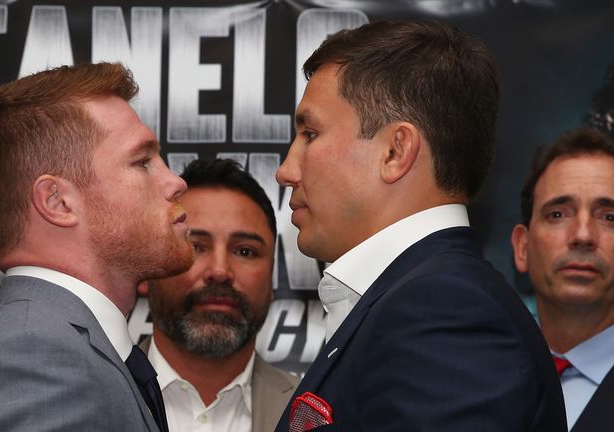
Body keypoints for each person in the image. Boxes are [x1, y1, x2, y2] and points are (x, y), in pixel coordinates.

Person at [274, 20, 566, 431]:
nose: (286, 170)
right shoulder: (418, 299)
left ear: (396, 151)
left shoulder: (445, 310)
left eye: (310, 133)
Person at [0, 63, 193, 432]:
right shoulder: (31, 358)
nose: (175, 182)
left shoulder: (64, 347)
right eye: (142, 162)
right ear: (57, 203)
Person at [139, 158, 299, 432]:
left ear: (272, 279)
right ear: (149, 271)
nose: (220, 271)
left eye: (245, 251)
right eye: (195, 247)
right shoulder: (89, 393)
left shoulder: (318, 412)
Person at [511, 128, 614, 432]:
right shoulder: (472, 373)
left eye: (610, 217)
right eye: (557, 214)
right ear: (522, 248)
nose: (583, 235)